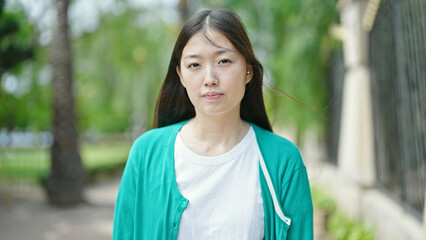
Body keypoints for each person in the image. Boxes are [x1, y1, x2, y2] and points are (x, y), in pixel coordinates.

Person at [113, 9, 313, 240]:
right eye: (195, 65)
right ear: (180, 74)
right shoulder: (146, 153)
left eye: (224, 61)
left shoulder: (283, 160)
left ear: (248, 70)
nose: (210, 79)